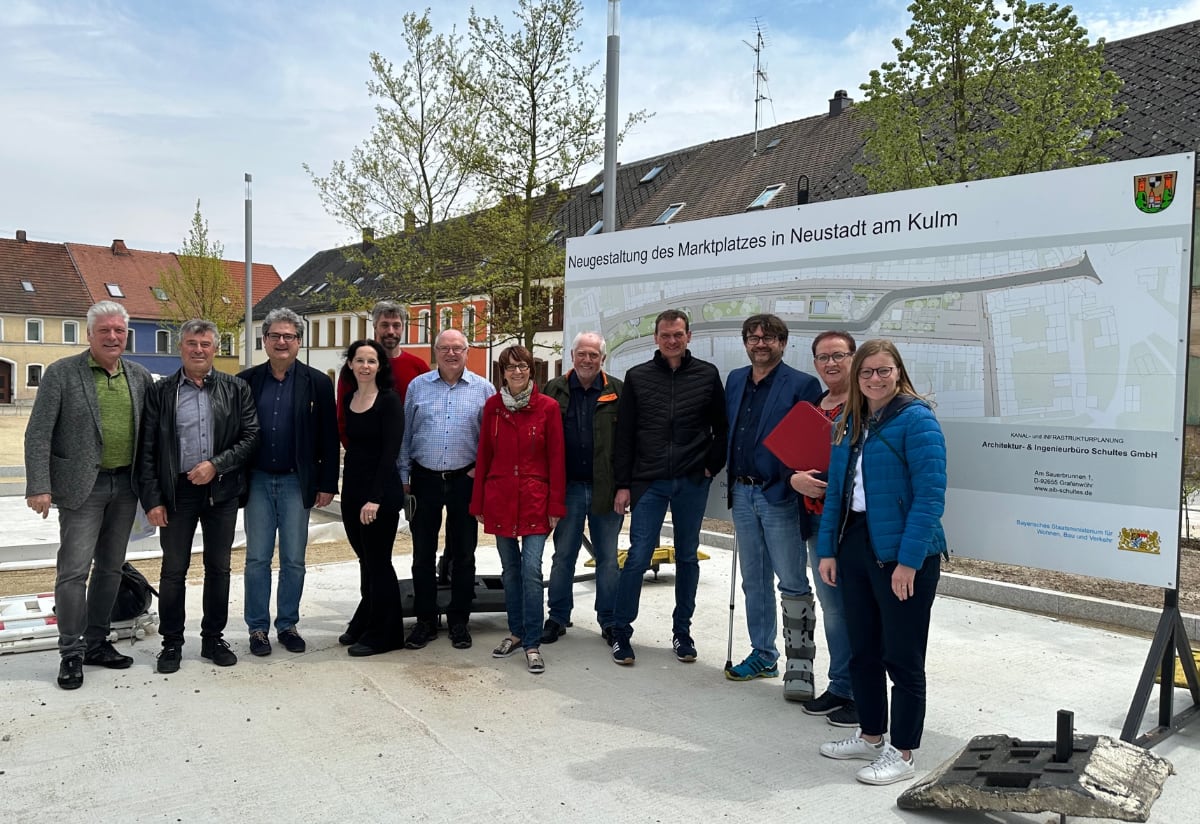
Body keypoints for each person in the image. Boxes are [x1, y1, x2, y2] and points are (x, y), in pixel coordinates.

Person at [815, 339, 946, 786]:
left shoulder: (917, 420)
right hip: (854, 545)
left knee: (903, 657)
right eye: (867, 372)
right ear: (857, 377)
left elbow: (929, 498)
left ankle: (904, 751)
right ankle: (871, 735)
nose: (875, 378)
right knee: (863, 651)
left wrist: (908, 562)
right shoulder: (850, 421)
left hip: (903, 554)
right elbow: (836, 492)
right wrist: (828, 550)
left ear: (898, 371)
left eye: (883, 370)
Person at [24, 301, 155, 690]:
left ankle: (98, 643)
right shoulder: (62, 374)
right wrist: (39, 485)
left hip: (125, 486)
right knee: (73, 571)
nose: (113, 337)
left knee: (111, 569)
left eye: (119, 331)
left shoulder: (140, 375)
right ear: (90, 334)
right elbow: (38, 433)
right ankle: (70, 652)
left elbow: (150, 434)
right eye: (105, 331)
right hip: (82, 487)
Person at [139, 319, 260, 674]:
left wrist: (216, 465)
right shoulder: (161, 393)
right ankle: (172, 643)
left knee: (218, 568)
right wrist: (152, 499)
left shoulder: (236, 389)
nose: (198, 350)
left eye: (205, 344)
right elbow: (147, 450)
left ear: (215, 348)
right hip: (177, 494)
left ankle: (212, 639)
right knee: (173, 571)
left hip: (220, 492)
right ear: (181, 347)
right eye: (191, 343)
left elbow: (251, 437)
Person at [609, 309, 727, 666]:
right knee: (639, 555)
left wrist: (710, 466)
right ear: (656, 339)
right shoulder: (638, 376)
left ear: (688, 336)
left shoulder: (707, 375)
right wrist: (623, 484)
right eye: (665, 335)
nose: (672, 340)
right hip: (649, 481)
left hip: (692, 480)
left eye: (678, 334)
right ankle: (620, 632)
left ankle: (682, 633)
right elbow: (625, 434)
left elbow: (721, 428)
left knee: (688, 556)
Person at [723, 314, 822, 699]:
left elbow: (808, 444)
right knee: (754, 580)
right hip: (743, 495)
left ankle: (800, 666)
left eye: (769, 338)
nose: (760, 343)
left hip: (779, 495)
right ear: (745, 342)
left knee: (793, 581)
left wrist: (790, 480)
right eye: (753, 337)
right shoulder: (734, 380)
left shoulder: (802, 385)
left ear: (783, 342)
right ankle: (763, 654)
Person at [237, 308, 339, 656]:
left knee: (294, 558)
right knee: (257, 559)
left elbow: (329, 436)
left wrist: (327, 483)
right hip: (259, 482)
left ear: (299, 341)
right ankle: (257, 629)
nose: (282, 342)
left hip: (298, 482)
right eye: (275, 336)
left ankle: (288, 625)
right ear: (264, 340)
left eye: (289, 336)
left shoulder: (318, 383)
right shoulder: (246, 381)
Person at [471, 345, 566, 674]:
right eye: (510, 367)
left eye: (522, 366)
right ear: (503, 372)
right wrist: (478, 502)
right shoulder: (493, 406)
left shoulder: (548, 407)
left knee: (531, 570)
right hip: (500, 498)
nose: (517, 372)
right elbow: (484, 454)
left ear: (531, 369)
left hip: (535, 499)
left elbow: (556, 458)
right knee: (509, 571)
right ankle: (514, 632)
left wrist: (556, 504)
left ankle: (532, 641)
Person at [398, 328, 495, 651]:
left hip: (463, 480)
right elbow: (406, 434)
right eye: (445, 348)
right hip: (424, 479)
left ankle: (459, 621)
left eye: (458, 348)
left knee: (465, 554)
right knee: (422, 553)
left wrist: (477, 473)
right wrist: (404, 475)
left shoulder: (484, 389)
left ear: (468, 352)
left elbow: (490, 440)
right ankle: (425, 621)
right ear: (435, 352)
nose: (451, 354)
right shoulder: (418, 387)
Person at [790, 331, 859, 726]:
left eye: (838, 356)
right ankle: (840, 686)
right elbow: (796, 458)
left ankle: (861, 692)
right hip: (818, 521)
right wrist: (793, 480)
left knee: (856, 609)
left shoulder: (867, 406)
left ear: (853, 357)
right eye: (822, 358)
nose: (830, 364)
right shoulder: (814, 406)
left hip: (855, 522)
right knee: (833, 609)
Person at [543, 331, 624, 645]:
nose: (587, 360)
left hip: (606, 488)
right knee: (563, 556)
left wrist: (624, 487)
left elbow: (628, 444)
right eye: (582, 354)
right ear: (572, 356)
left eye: (594, 355)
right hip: (568, 489)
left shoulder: (618, 391)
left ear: (602, 359)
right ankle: (558, 617)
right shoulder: (555, 389)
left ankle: (609, 620)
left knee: (607, 558)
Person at [338, 339, 406, 656]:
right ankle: (367, 619)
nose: (366, 366)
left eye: (372, 361)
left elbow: (389, 453)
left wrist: (374, 498)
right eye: (360, 360)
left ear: (380, 366)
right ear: (350, 364)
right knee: (366, 562)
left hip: (379, 495)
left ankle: (386, 634)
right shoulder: (350, 398)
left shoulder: (389, 401)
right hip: (352, 491)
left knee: (379, 563)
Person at [336, 300, 429, 446]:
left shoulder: (418, 367)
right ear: (375, 327)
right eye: (385, 325)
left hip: (409, 454)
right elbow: (342, 415)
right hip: (368, 455)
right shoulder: (356, 369)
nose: (391, 331)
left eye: (396, 325)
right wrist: (356, 450)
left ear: (403, 328)